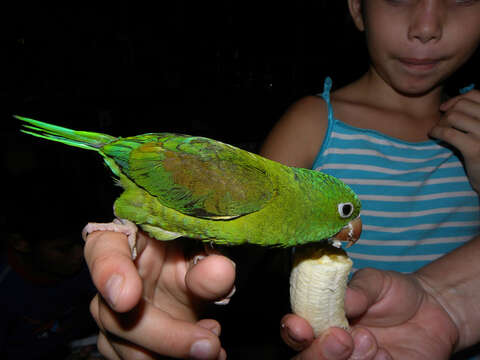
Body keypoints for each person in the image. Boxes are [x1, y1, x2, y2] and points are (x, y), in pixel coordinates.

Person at [83, 0, 480, 359]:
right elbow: (232, 229)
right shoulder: (310, 124)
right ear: (357, 9)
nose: (427, 25)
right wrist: (187, 288)